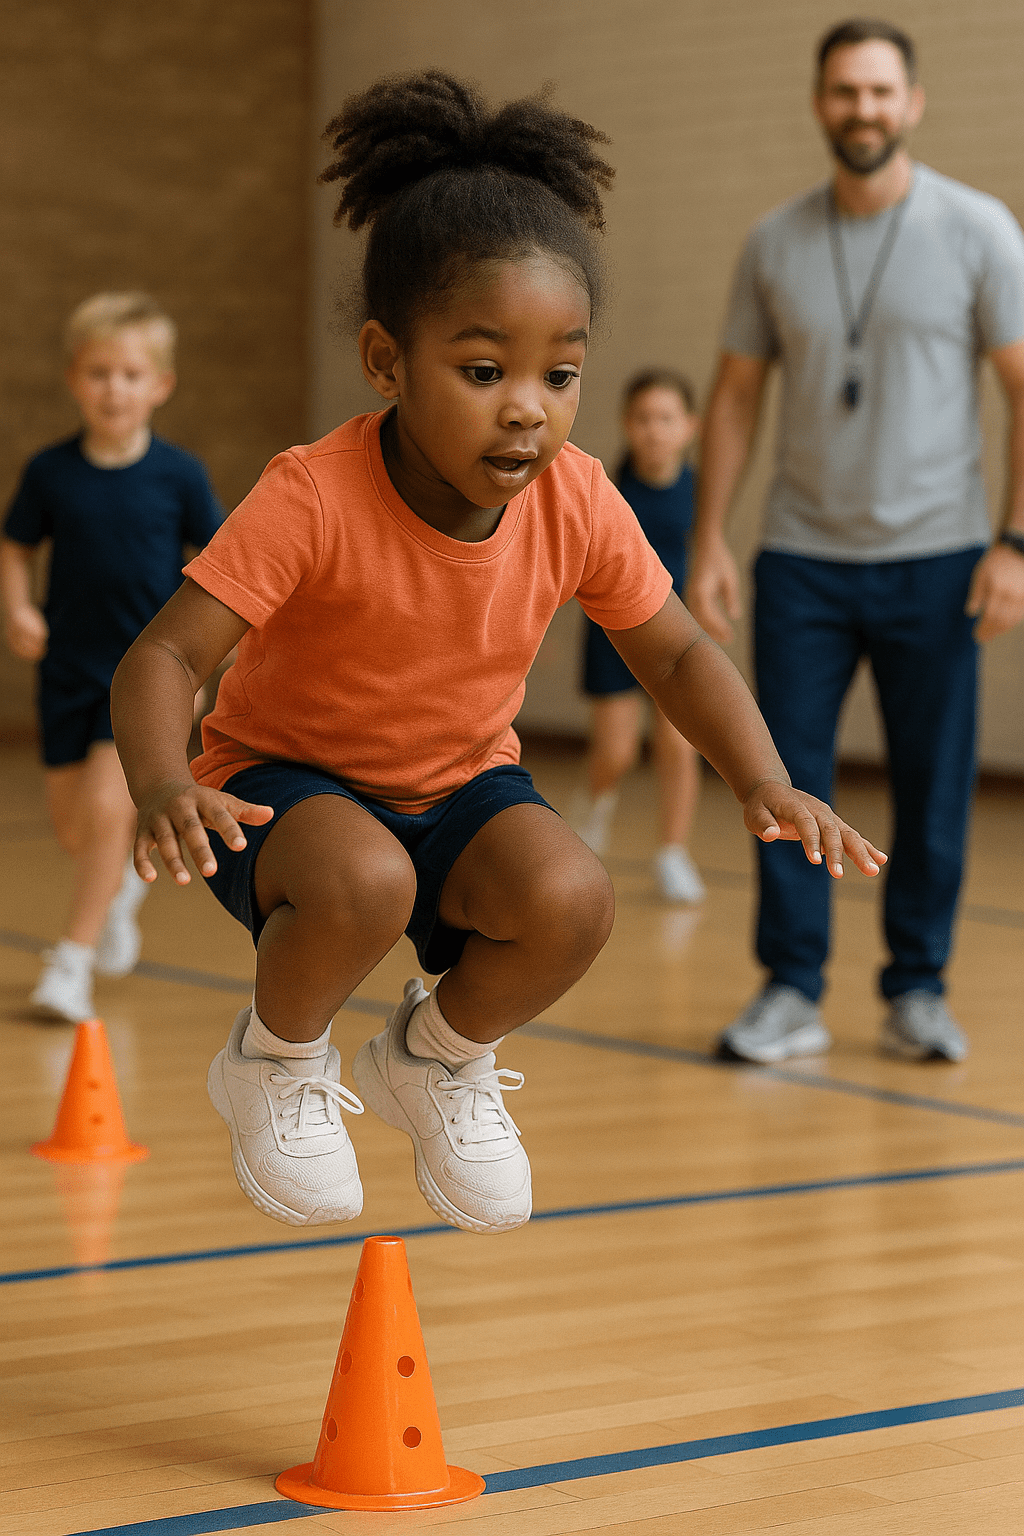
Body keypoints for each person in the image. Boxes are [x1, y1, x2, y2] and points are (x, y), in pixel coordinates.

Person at [111, 70, 884, 1238]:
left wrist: (762, 777)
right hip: (281, 793)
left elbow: (674, 652)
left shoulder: (576, 496)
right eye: (484, 373)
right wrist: (165, 782)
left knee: (572, 897)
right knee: (366, 878)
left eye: (559, 375)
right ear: (387, 361)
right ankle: (272, 1059)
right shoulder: (312, 494)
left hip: (459, 784)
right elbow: (164, 657)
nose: (528, 408)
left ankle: (434, 1054)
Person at [687, 19, 1024, 1066]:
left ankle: (917, 989)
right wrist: (708, 538)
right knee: (783, 776)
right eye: (843, 92)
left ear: (912, 103)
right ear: (819, 102)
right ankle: (789, 989)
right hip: (801, 561)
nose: (862, 110)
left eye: (880, 92)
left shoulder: (980, 230)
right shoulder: (773, 241)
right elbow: (735, 399)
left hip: (940, 558)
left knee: (932, 784)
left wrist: (1013, 542)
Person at [1, 292, 223, 1023]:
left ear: (159, 384)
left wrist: (201, 670)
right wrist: (20, 608)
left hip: (146, 678)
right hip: (67, 671)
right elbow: (16, 545)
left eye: (130, 374)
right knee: (75, 826)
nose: (114, 388)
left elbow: (223, 567)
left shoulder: (180, 476)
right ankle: (121, 892)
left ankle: (71, 961)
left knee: (105, 806)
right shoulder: (50, 473)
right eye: (99, 373)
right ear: (74, 379)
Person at [574, 369, 705, 903]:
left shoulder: (700, 492)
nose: (655, 430)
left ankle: (672, 852)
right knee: (617, 751)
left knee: (679, 744)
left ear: (689, 427)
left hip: (676, 637)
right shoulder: (607, 490)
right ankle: (595, 805)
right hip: (613, 634)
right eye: (644, 419)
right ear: (628, 425)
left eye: (666, 419)